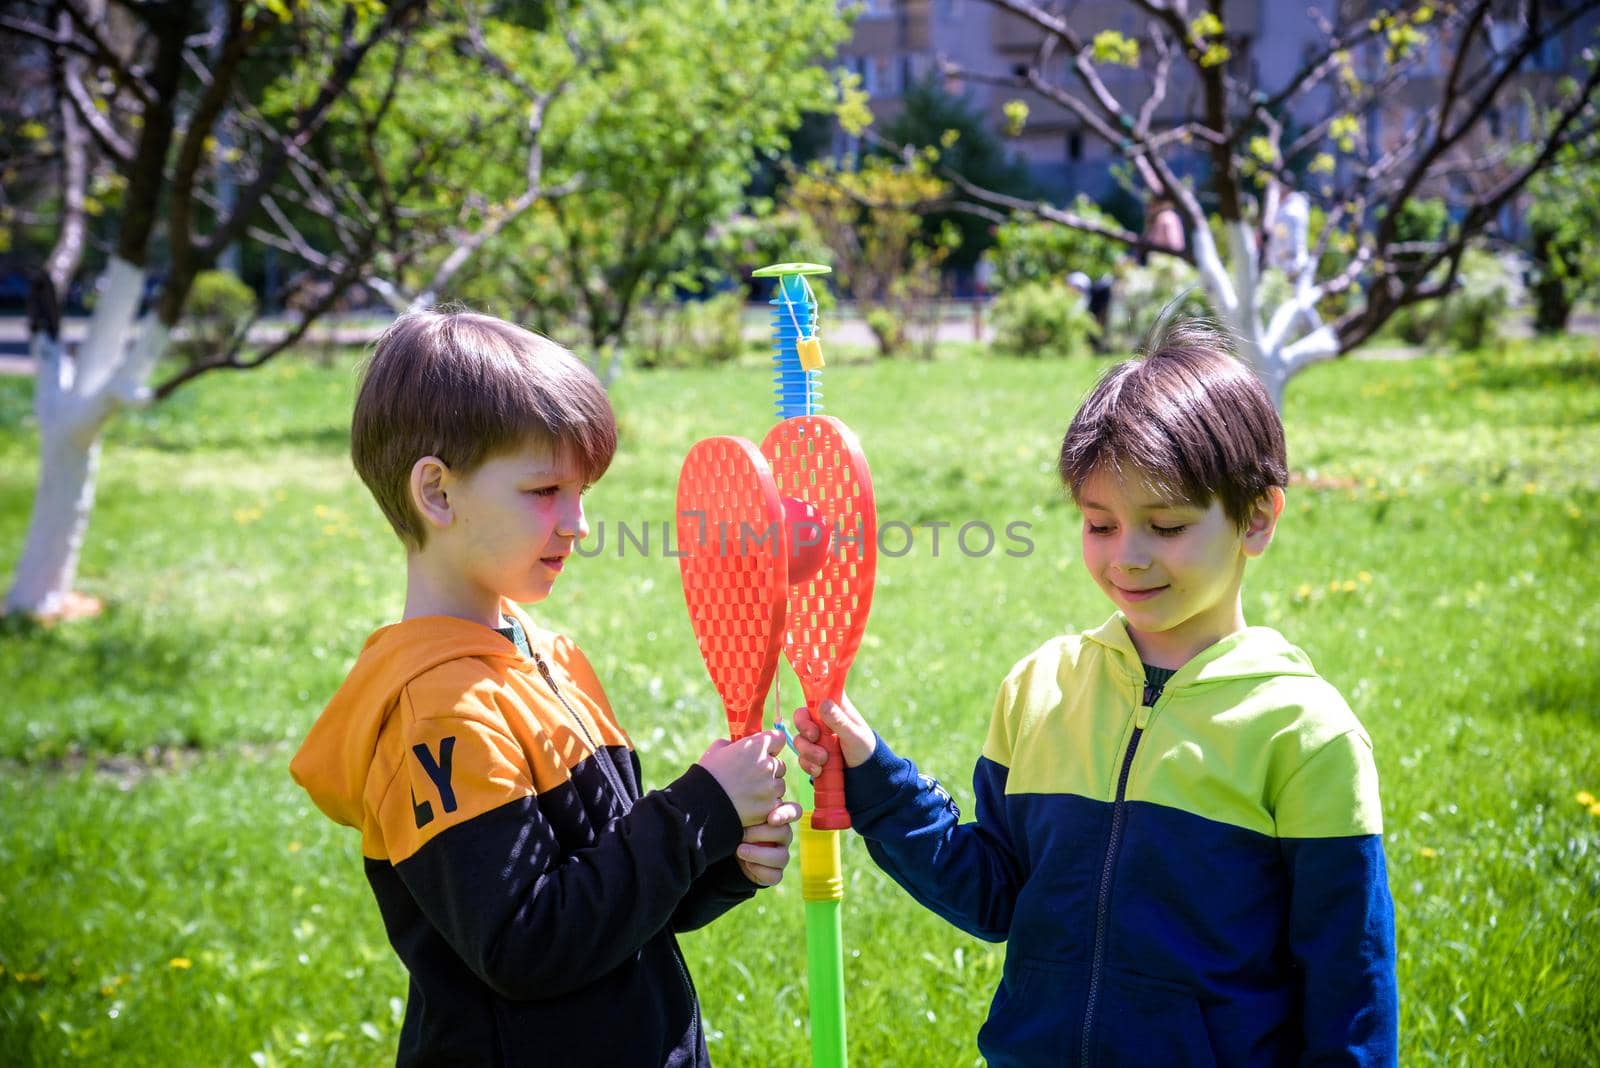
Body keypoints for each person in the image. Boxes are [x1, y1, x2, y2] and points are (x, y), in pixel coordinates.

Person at [794, 319, 1398, 1066]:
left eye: (1167, 524)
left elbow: (1349, 988)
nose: (1128, 557)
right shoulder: (1039, 688)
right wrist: (874, 780)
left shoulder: (1305, 734)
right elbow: (996, 895)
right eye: (1099, 524)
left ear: (1258, 516)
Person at [290, 309, 799, 1067]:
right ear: (437, 492)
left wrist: (717, 853)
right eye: (545, 490)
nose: (579, 524)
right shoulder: (441, 714)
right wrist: (696, 809)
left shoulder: (548, 655)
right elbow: (527, 945)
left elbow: (610, 895)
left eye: (583, 490)